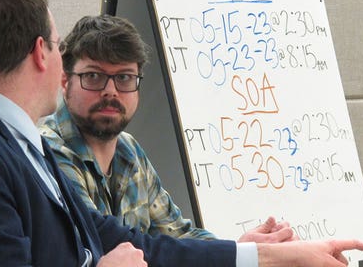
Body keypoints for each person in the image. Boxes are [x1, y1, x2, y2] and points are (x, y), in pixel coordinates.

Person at [0, 0, 363, 267]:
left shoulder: (14, 140)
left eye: (124, 79)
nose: (110, 93)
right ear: (42, 53)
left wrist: (273, 257)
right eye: (61, 48)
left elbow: (130, 243)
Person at [40, 14, 294, 243]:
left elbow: (178, 235)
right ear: (65, 80)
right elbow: (103, 247)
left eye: (124, 78)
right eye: (94, 76)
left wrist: (244, 250)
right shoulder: (49, 152)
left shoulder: (129, 150)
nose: (111, 91)